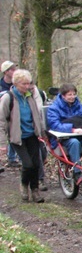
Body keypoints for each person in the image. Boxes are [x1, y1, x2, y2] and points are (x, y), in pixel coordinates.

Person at [0, 69, 46, 202]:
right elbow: (1, 121)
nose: (27, 87)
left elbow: (37, 116)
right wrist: (2, 144)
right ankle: (24, 184)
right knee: (28, 164)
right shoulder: (8, 98)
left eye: (28, 84)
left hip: (32, 135)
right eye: (23, 84)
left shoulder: (30, 96)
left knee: (36, 164)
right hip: (17, 137)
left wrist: (43, 133)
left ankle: (35, 191)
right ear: (16, 83)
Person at [46, 83, 82, 180]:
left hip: (81, 135)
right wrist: (72, 129)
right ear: (63, 95)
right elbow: (55, 125)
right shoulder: (54, 108)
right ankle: (77, 173)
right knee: (74, 143)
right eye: (69, 95)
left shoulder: (79, 106)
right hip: (64, 138)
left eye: (74, 94)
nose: (72, 97)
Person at [1, 61, 21, 168]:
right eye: (12, 69)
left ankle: (13, 157)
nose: (15, 71)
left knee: (15, 133)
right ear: (6, 72)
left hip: (15, 112)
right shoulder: (1, 85)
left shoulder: (17, 84)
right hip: (3, 113)